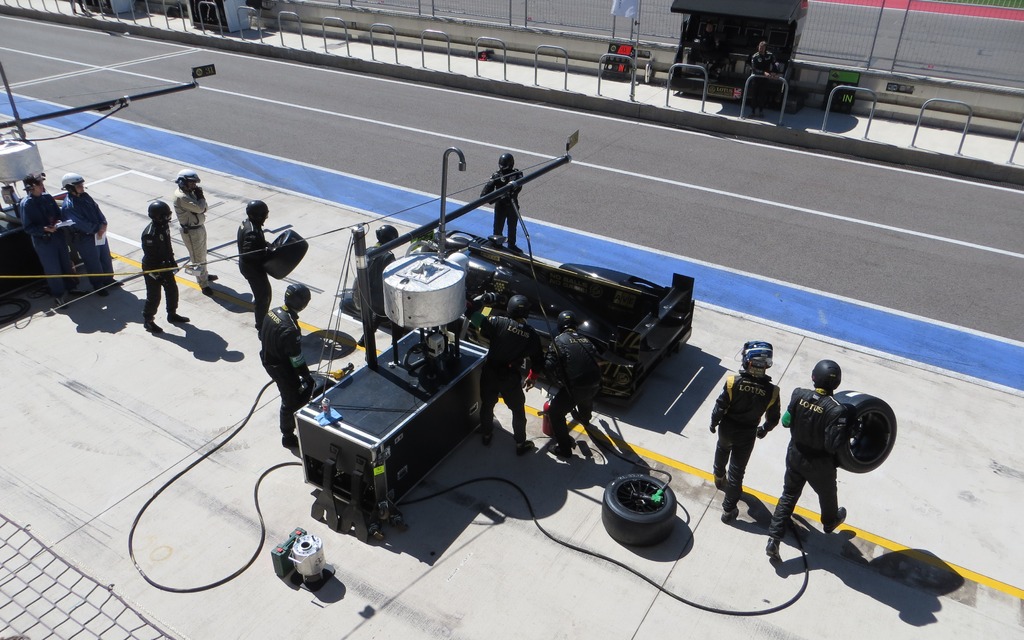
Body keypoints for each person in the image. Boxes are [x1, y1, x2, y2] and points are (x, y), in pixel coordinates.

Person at [765, 359, 850, 562]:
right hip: (819, 463)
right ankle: (830, 522)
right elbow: (832, 446)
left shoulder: (798, 394)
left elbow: (786, 422)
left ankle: (774, 539)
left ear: (814, 377)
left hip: (795, 454)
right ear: (836, 383)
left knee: (788, 495)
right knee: (827, 493)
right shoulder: (837, 410)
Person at [710, 341, 781, 523]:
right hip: (747, 433)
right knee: (737, 472)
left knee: (722, 449)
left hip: (727, 428)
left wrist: (714, 422)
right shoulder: (772, 391)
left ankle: (718, 477)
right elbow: (773, 418)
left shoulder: (732, 382)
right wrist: (764, 430)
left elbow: (720, 406)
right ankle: (728, 510)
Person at [469, 293, 544, 455]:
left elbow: (471, 315)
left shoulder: (497, 323)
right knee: (517, 411)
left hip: (490, 374)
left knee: (487, 405)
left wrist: (481, 300)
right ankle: (520, 444)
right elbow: (538, 361)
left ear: (509, 309)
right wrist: (532, 377)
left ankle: (487, 433)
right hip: (510, 378)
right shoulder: (532, 336)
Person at [261, 283, 316, 449]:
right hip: (280, 368)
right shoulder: (291, 328)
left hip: (268, 359)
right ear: (302, 304)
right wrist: (306, 377)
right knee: (290, 400)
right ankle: (287, 435)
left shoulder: (273, 312)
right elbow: (296, 358)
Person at [544, 310, 602, 459]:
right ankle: (585, 418)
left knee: (555, 413)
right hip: (595, 383)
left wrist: (556, 379)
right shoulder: (586, 340)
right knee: (585, 398)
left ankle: (564, 450)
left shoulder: (558, 340)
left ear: (560, 326)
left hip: (575, 388)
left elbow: (549, 365)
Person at [19, 172, 79, 306]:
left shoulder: (47, 198)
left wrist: (59, 222)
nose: (42, 186)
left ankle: (71, 287)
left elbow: (58, 214)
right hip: (44, 242)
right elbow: (28, 228)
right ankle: (58, 294)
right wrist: (44, 229)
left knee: (65, 263)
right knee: (53, 269)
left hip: (58, 237)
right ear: (32, 187)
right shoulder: (26, 204)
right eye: (39, 184)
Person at [61, 173, 115, 297]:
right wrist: (98, 228)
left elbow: (97, 209)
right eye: (78, 185)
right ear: (70, 187)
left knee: (105, 257)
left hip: (98, 233)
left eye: (81, 184)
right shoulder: (69, 206)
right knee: (93, 262)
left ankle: (108, 280)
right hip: (85, 237)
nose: (81, 187)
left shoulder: (85, 196)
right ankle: (98, 285)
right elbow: (81, 223)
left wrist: (103, 223)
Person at [141, 200, 190, 334]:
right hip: (153, 269)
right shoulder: (149, 234)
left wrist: (172, 261)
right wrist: (157, 276)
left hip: (166, 265)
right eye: (165, 216)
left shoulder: (164, 226)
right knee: (154, 296)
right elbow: (151, 258)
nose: (168, 218)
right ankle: (148, 320)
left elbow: (167, 246)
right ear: (157, 216)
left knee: (172, 291)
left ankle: (172, 314)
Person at [172, 168, 217, 296]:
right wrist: (201, 198)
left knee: (202, 255)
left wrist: (200, 201)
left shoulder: (189, 193)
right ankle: (202, 283)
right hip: (191, 232)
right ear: (182, 182)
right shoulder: (182, 197)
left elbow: (205, 208)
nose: (194, 185)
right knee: (197, 259)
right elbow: (200, 208)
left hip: (199, 228)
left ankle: (204, 276)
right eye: (191, 182)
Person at [356, 224, 399, 347]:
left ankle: (364, 339)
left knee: (375, 318)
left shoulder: (367, 251)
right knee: (397, 317)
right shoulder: (388, 256)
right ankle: (395, 343)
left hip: (367, 294)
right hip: (380, 297)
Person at [237, 199, 273, 332]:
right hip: (252, 269)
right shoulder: (252, 231)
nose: (265, 217)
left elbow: (254, 245)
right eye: (264, 215)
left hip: (249, 267)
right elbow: (248, 253)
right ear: (257, 215)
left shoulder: (247, 223)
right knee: (264, 297)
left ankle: (260, 313)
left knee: (263, 294)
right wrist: (266, 253)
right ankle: (261, 326)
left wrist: (264, 244)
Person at [479, 153, 524, 252]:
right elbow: (485, 193)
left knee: (512, 226)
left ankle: (511, 244)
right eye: (501, 166)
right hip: (500, 205)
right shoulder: (497, 175)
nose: (502, 168)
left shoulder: (517, 174)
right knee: (498, 226)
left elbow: (518, 187)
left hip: (512, 204)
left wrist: (510, 192)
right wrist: (493, 197)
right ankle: (496, 243)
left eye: (504, 166)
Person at [748, 41, 779, 118]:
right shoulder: (755, 56)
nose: (761, 49)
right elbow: (754, 69)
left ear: (765, 48)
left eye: (763, 47)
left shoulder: (769, 55)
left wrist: (774, 72)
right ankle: (753, 111)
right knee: (754, 95)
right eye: (760, 47)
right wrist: (763, 73)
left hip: (765, 79)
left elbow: (776, 63)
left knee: (762, 95)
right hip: (756, 78)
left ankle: (761, 111)